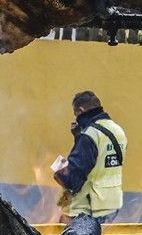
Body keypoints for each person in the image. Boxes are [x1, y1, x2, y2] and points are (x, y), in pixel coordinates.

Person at [53, 90, 127, 224]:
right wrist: (78, 138)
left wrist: (59, 172)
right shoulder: (117, 131)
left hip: (84, 210)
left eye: (76, 115)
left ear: (80, 111)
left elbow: (73, 180)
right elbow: (100, 162)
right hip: (110, 206)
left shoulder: (90, 135)